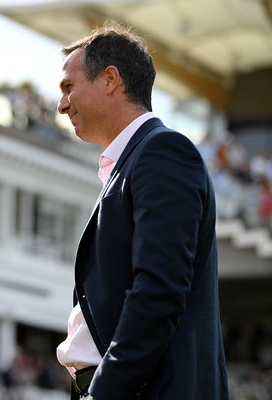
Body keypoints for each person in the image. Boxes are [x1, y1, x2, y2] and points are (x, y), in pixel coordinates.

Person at [54, 23, 229, 400]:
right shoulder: (135, 160)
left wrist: (103, 393)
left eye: (69, 87)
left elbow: (158, 292)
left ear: (110, 79)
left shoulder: (162, 152)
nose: (62, 104)